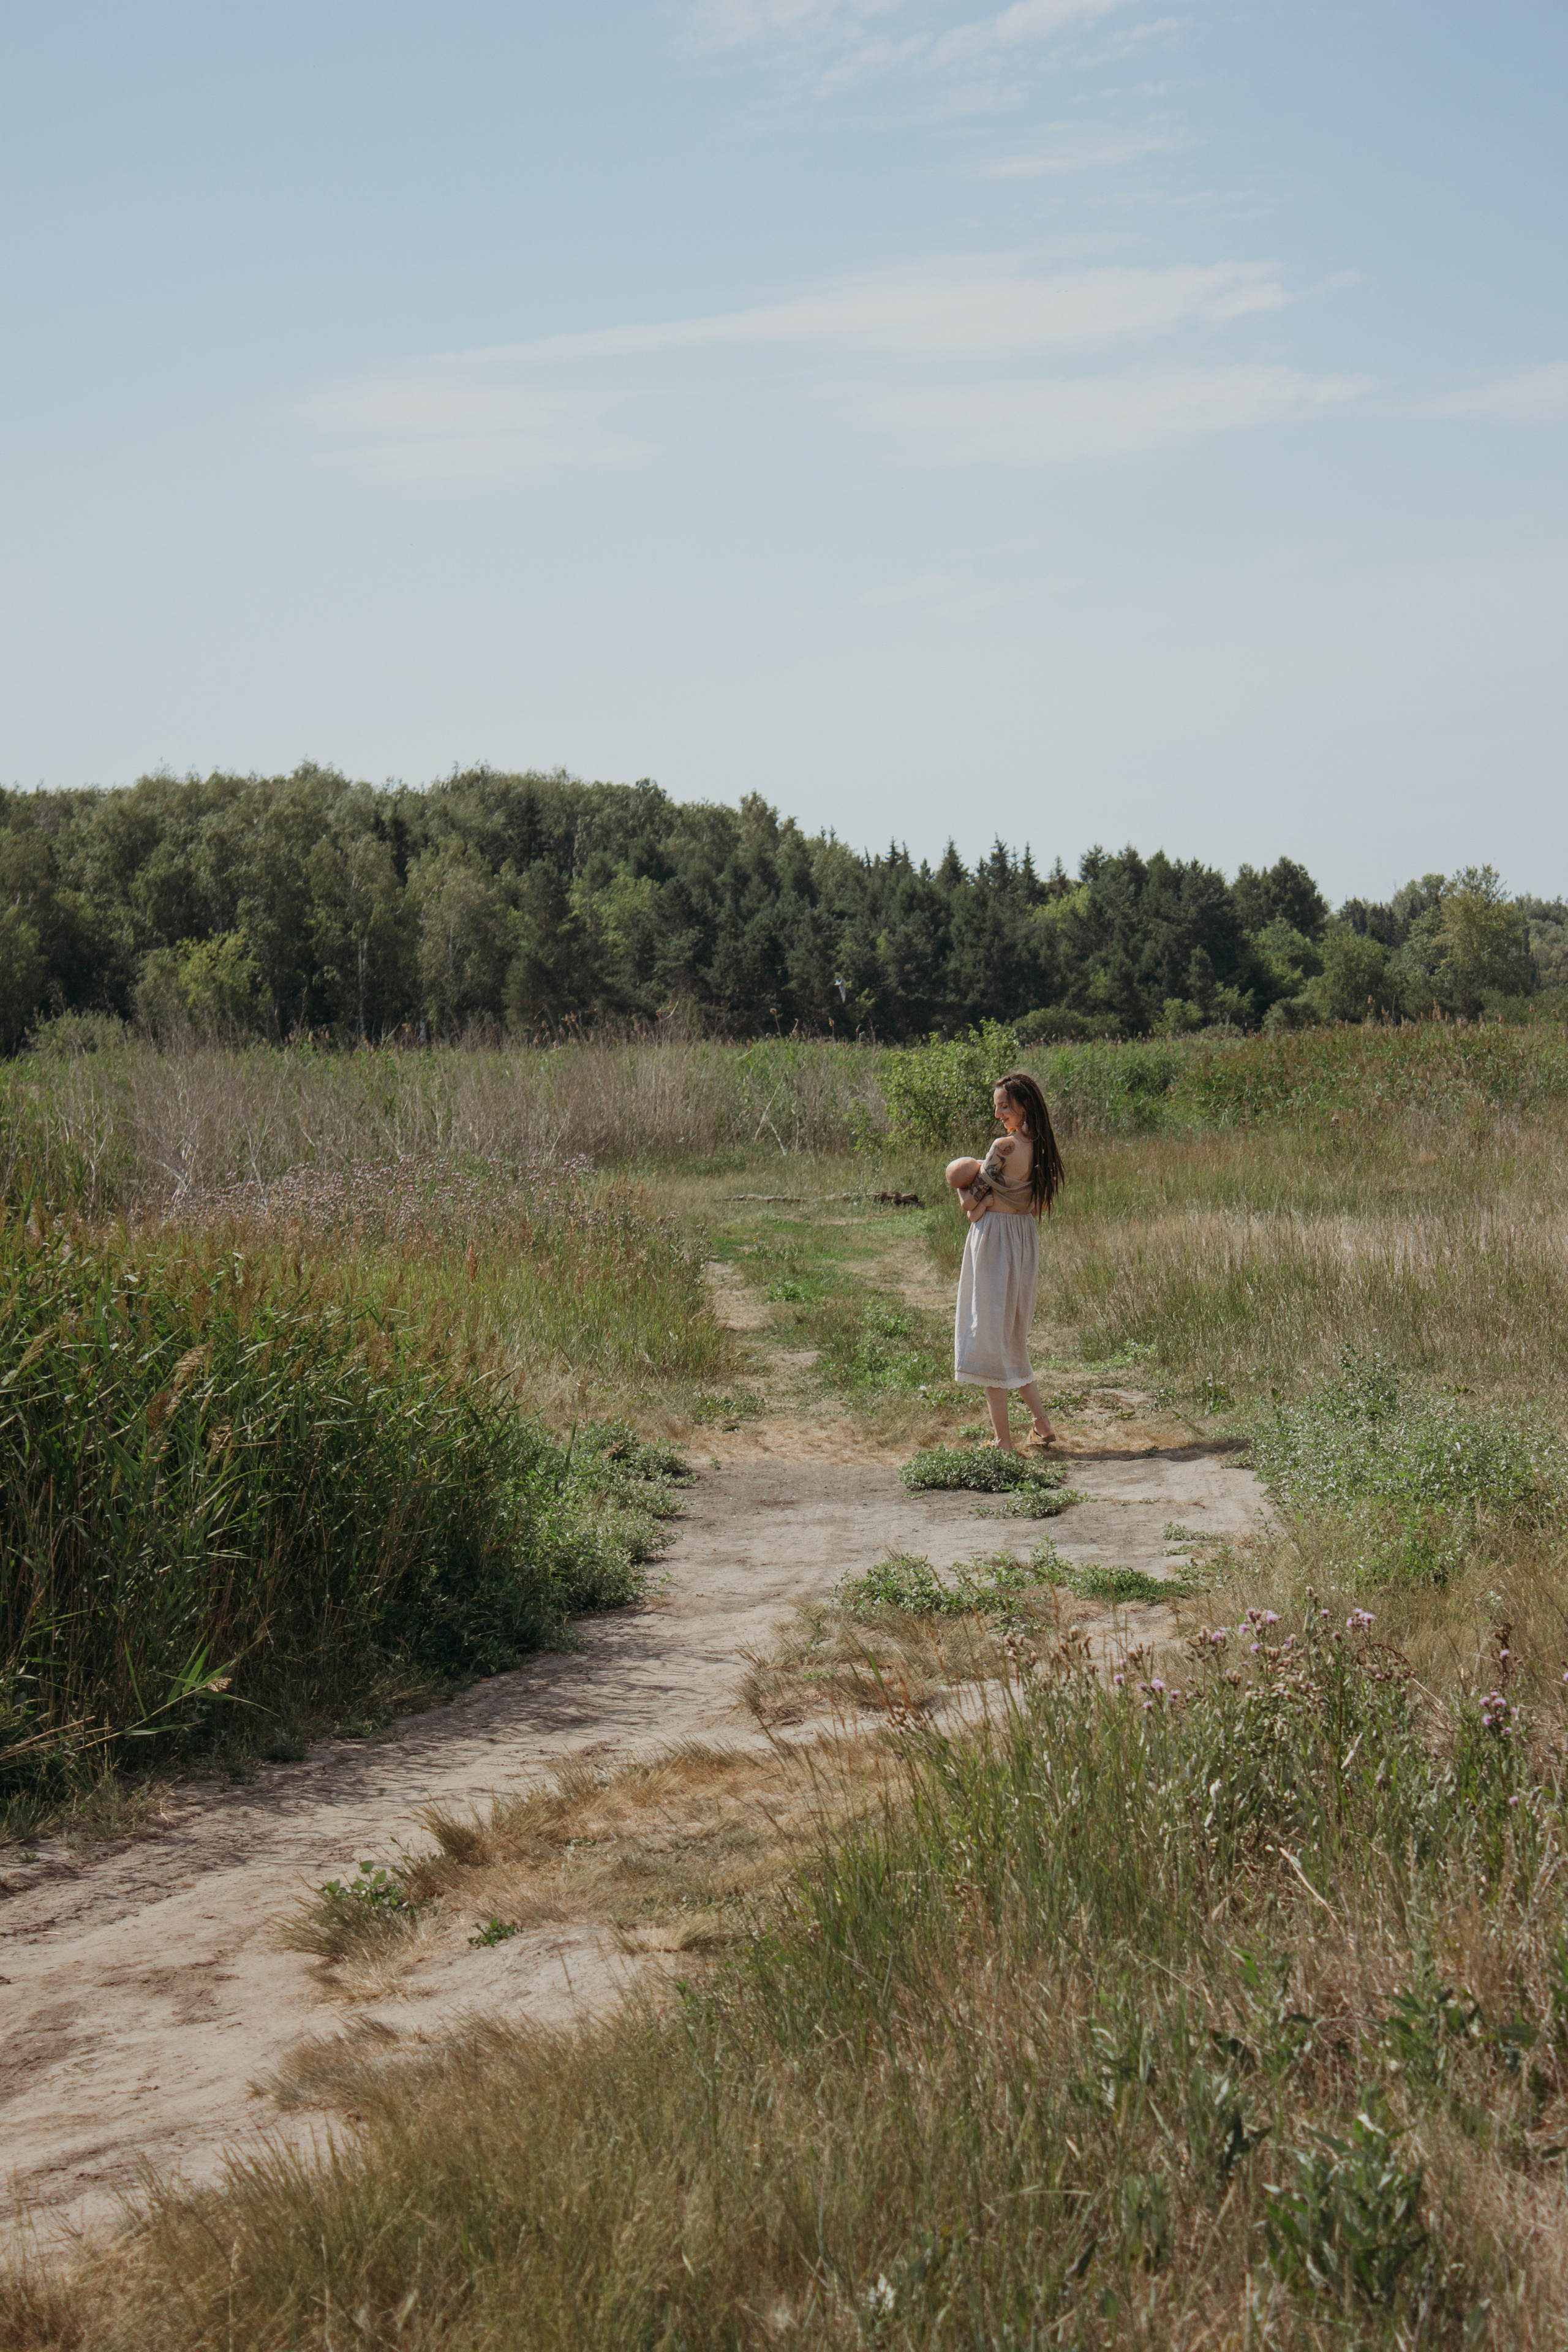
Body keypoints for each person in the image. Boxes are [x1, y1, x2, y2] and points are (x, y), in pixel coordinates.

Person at [944, 1068, 1066, 1452]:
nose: (998, 1114)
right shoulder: (1044, 1148)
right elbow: (1037, 1203)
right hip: (1024, 1240)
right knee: (1012, 1336)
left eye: (1004, 1106)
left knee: (987, 1335)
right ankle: (1042, 1425)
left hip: (996, 1239)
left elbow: (971, 1206)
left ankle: (1002, 1440)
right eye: (996, 1108)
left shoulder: (1003, 1148)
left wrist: (966, 1194)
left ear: (1024, 1106)